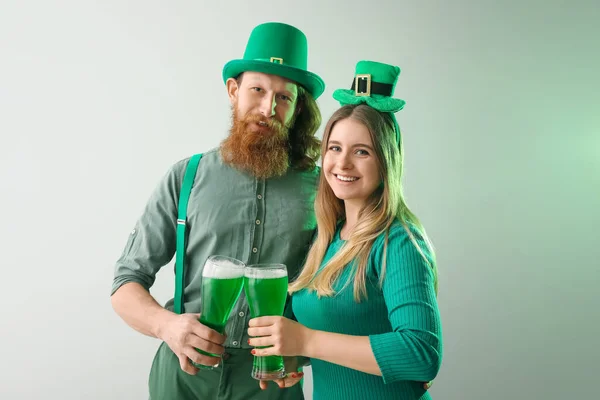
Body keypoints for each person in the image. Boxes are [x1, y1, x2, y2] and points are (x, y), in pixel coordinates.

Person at [110, 21, 325, 400]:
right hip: (183, 375)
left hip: (271, 382)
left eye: (284, 98)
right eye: (257, 90)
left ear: (297, 108)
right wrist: (167, 326)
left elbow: (342, 292)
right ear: (233, 90)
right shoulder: (186, 176)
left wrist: (304, 352)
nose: (267, 108)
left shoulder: (324, 189)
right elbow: (126, 282)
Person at [247, 60, 443, 399]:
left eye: (362, 152)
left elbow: (421, 354)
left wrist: (305, 340)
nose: (342, 164)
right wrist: (296, 354)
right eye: (335, 148)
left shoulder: (398, 240)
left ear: (386, 162)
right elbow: (342, 330)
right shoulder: (329, 237)